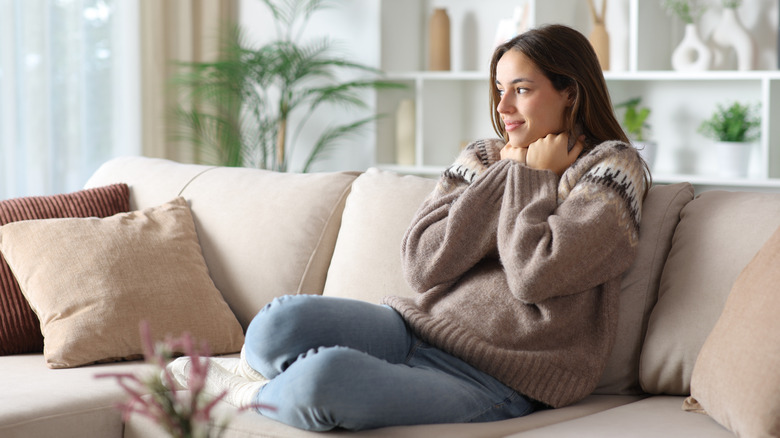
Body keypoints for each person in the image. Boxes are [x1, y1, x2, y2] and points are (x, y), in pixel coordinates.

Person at [167, 24, 650, 431]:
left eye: (521, 90)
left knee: (327, 380)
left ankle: (247, 394)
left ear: (571, 92)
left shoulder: (611, 169)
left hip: (499, 378)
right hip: (413, 329)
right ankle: (270, 377)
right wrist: (506, 172)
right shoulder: (484, 157)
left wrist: (530, 177)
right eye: (499, 90)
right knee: (278, 323)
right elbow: (423, 264)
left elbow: (533, 274)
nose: (503, 108)